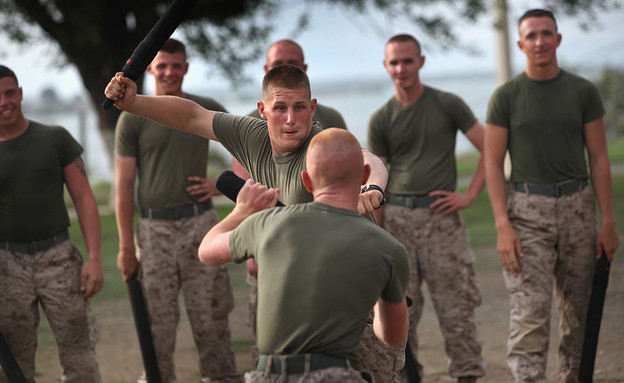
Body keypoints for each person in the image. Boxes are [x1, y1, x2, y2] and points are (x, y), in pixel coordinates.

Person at [198, 128, 409, 383]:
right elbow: (392, 336)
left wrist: (242, 211)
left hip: (269, 376)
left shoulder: (268, 224)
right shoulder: (387, 248)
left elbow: (207, 251)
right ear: (364, 175)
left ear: (307, 181)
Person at [484, 9, 620, 383]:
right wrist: (502, 225)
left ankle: (575, 377)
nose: (540, 41)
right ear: (520, 44)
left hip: (578, 208)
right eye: (532, 35)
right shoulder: (506, 96)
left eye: (547, 34)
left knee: (579, 309)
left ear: (558, 39)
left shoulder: (582, 91)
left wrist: (607, 221)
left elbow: (599, 158)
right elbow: (493, 164)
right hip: (527, 212)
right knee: (530, 309)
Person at [114, 38, 240, 383]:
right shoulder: (132, 117)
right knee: (157, 325)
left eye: (176, 65)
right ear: (151, 68)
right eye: (162, 65)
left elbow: (247, 147)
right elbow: (123, 188)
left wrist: (221, 184)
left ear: (185, 68)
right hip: (154, 232)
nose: (169, 72)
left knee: (211, 319)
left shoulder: (205, 107)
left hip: (202, 224)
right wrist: (126, 247)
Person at [366, 34, 487, 383]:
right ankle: (407, 378)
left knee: (457, 310)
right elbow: (377, 178)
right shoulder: (381, 119)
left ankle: (468, 376)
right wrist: (377, 235)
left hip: (442, 220)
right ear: (386, 66)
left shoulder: (448, 104)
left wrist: (469, 196)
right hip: (398, 220)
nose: (401, 68)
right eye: (394, 62)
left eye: (407, 60)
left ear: (421, 61)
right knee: (399, 312)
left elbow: (489, 147)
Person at [238, 38, 349, 365]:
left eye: (293, 63)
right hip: (268, 243)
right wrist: (250, 245)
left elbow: (351, 172)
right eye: (277, 64)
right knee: (271, 341)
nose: (290, 117)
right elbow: (243, 188)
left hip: (322, 246)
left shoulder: (328, 119)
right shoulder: (250, 123)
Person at [0, 65, 103, 382]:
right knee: (13, 365)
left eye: (8, 93)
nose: (3, 102)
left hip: (57, 258)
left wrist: (95, 259)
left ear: (19, 94)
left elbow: (85, 198)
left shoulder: (55, 138)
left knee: (80, 356)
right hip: (6, 265)